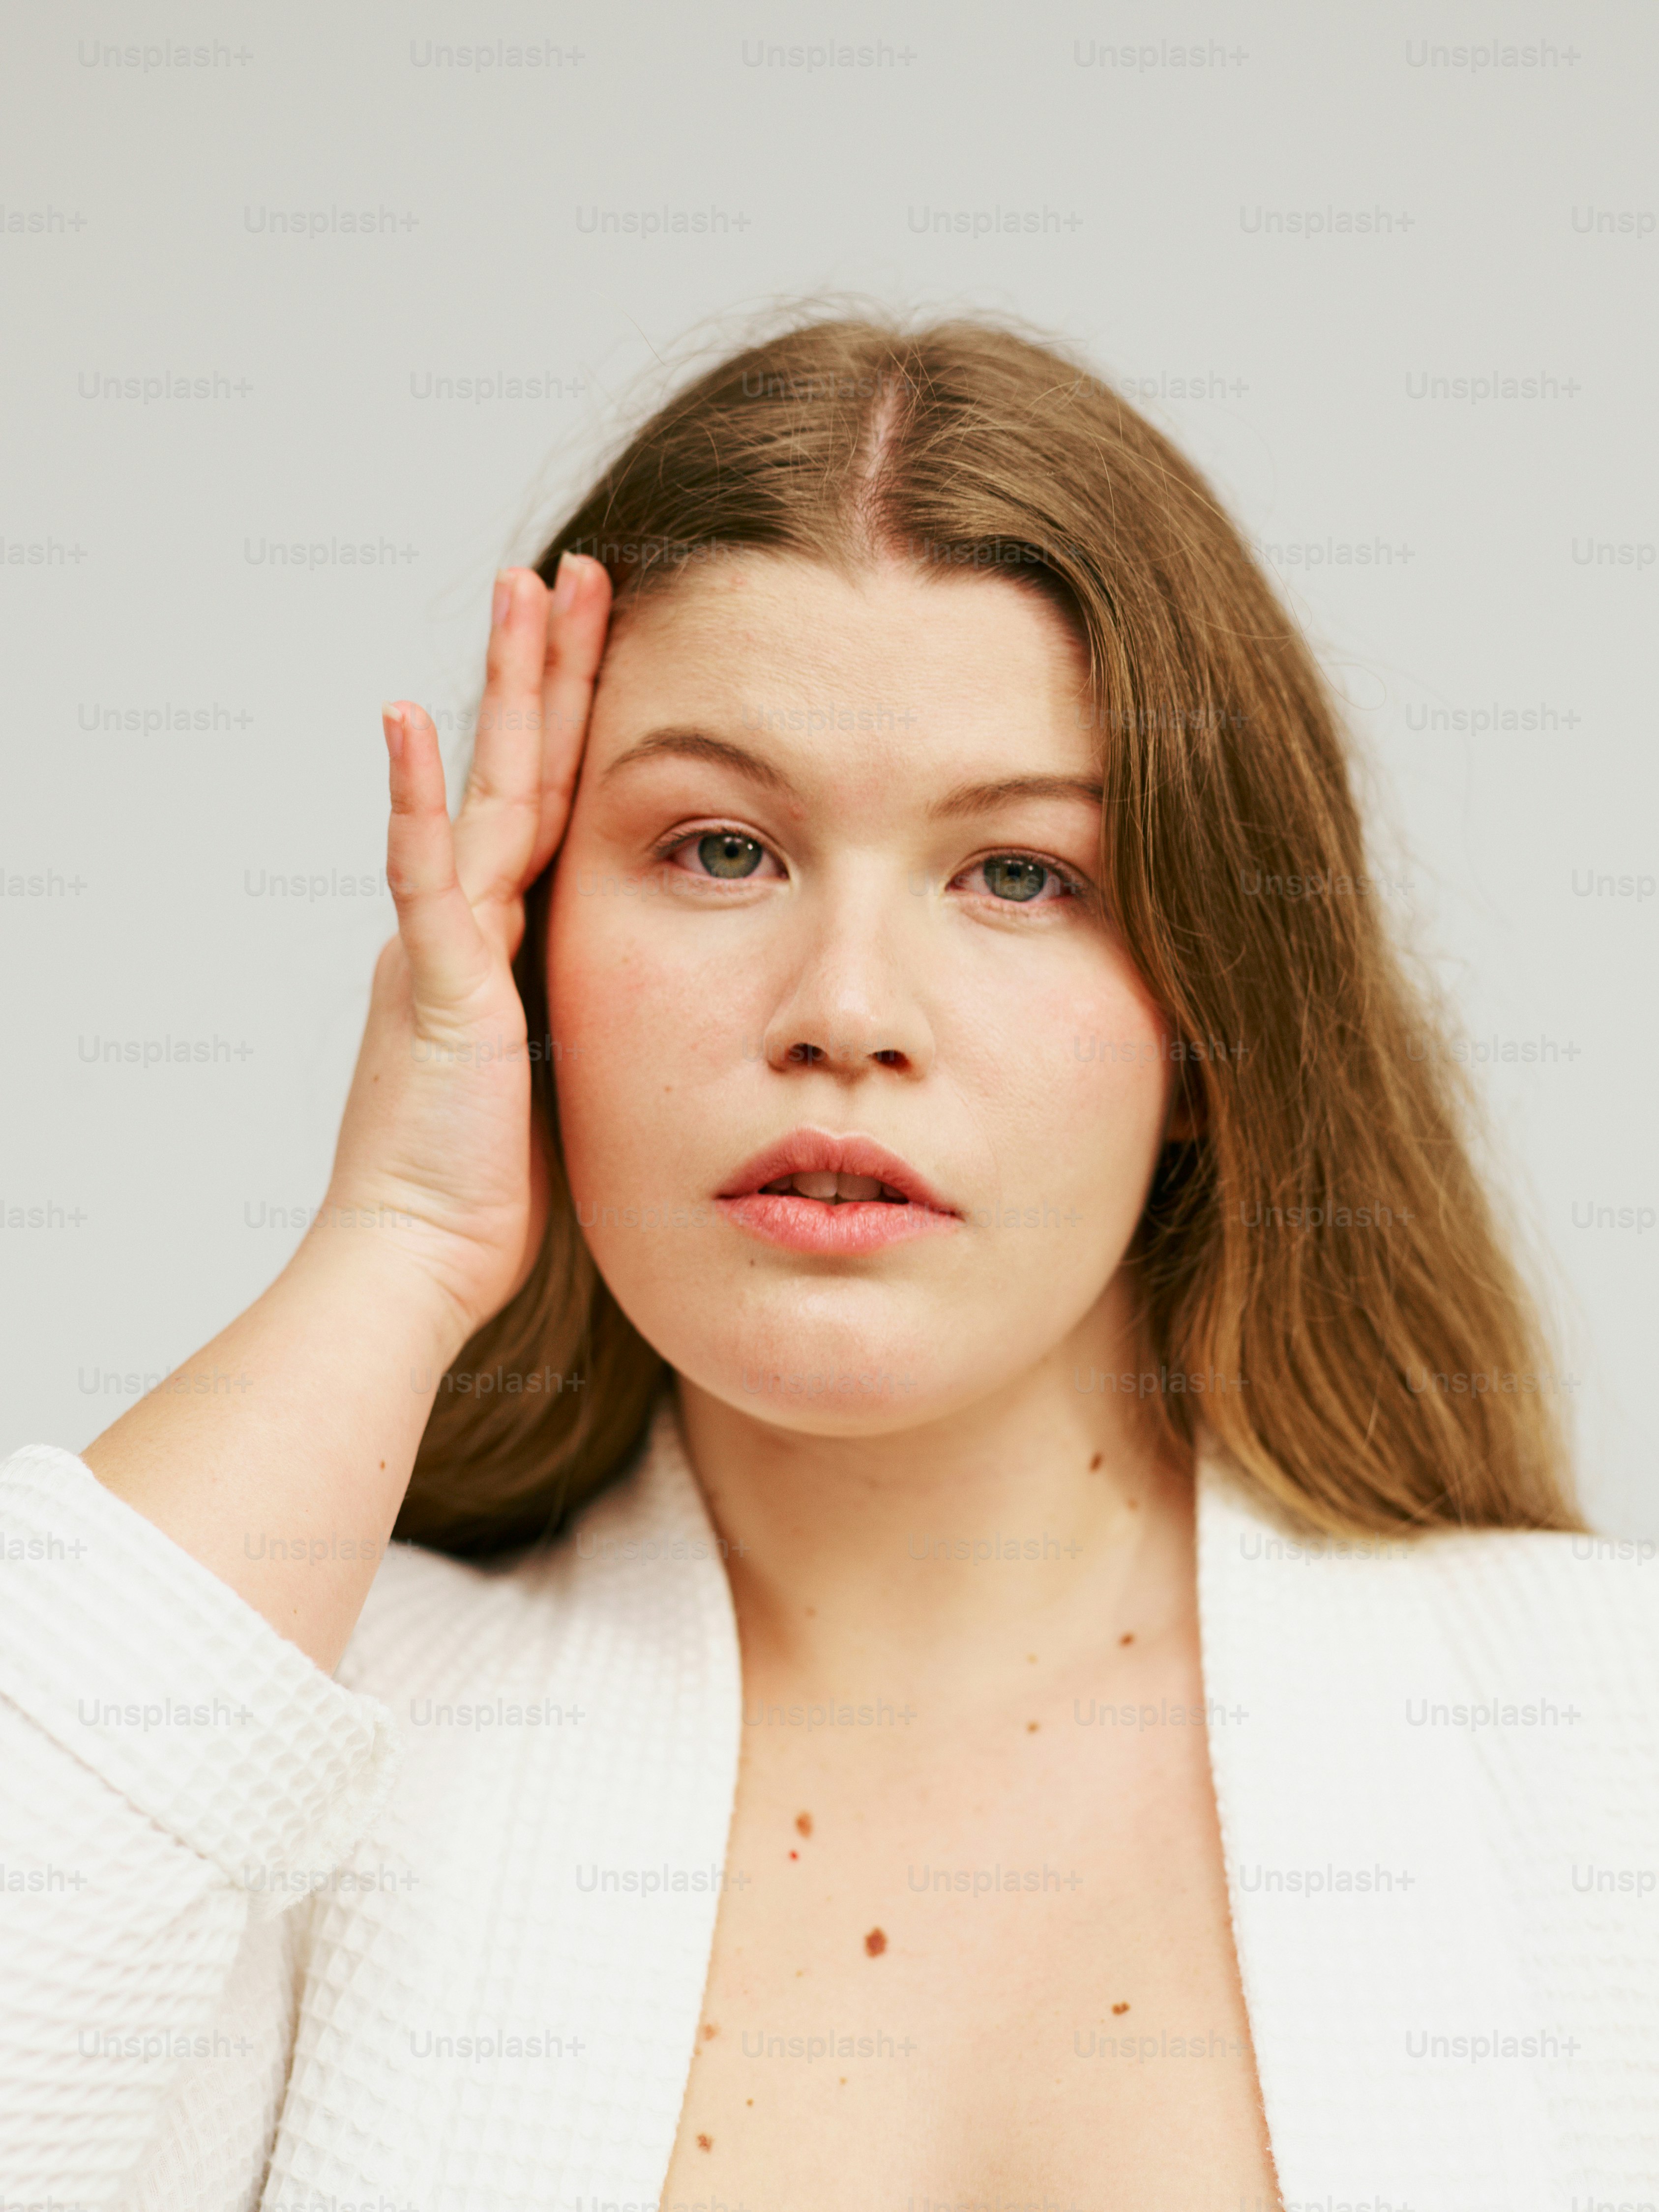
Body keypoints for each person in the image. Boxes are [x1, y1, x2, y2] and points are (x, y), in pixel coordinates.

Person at [2, 315, 1652, 2210]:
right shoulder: (297, 1777)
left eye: (1022, 873)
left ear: (1210, 1021)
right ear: (533, 947)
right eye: (718, 849)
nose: (846, 1008)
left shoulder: (1608, 1736)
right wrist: (394, 1247)